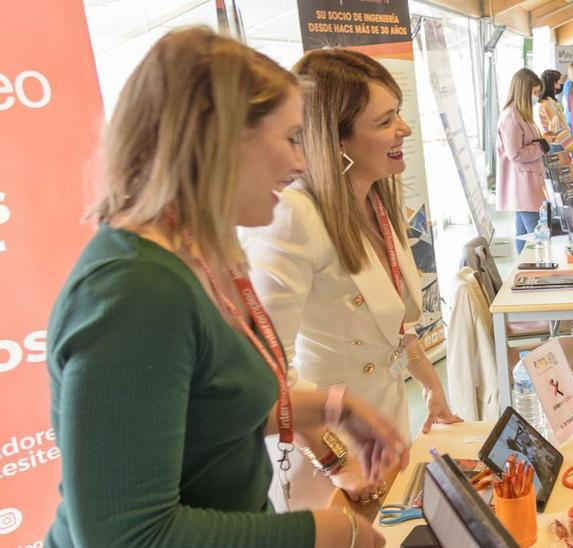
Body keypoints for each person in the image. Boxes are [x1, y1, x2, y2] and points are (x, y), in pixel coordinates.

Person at [46, 27, 405, 548]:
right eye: (289, 139)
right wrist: (322, 532)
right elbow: (127, 536)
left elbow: (206, 410)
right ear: (220, 141)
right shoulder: (136, 291)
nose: (301, 163)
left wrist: (332, 408)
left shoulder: (195, 256)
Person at [241, 47, 462, 511]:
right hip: (329, 452)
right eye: (384, 122)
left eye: (398, 113)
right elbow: (269, 367)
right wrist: (335, 460)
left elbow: (391, 323)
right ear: (334, 139)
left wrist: (430, 383)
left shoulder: (376, 198)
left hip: (384, 423)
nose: (403, 129)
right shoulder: (293, 216)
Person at [494, 69, 550, 253]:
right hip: (523, 185)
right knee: (536, 234)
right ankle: (533, 270)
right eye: (534, 93)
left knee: (524, 234)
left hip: (529, 183)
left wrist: (541, 142)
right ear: (523, 91)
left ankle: (524, 271)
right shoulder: (510, 117)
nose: (536, 98)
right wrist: (541, 146)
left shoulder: (521, 115)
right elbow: (515, 154)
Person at [537, 69, 573, 153]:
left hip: (559, 143)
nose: (561, 83)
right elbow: (557, 129)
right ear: (554, 83)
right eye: (559, 80)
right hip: (556, 145)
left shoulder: (550, 101)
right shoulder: (547, 103)